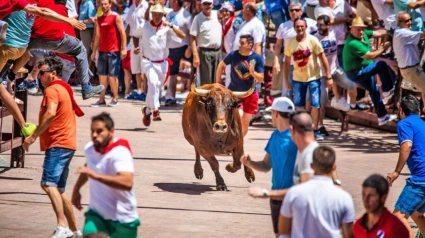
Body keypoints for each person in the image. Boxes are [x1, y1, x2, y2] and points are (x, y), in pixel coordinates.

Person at [22, 56, 83, 238]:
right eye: (38, 73)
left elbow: (50, 113)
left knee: (48, 184)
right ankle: (75, 231)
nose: (39, 76)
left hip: (59, 144)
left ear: (53, 74)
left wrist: (33, 137)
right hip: (67, 144)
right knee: (59, 189)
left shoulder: (52, 90)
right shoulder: (63, 89)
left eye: (42, 73)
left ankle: (62, 226)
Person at [9, 0, 104, 100]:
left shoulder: (35, 3)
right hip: (56, 44)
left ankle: (9, 75)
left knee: (23, 48)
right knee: (80, 50)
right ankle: (86, 88)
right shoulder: (62, 9)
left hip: (34, 40)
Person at [71, 112, 140, 237]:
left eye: (99, 131)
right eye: (92, 131)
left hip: (123, 218)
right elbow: (89, 167)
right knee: (91, 236)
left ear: (111, 131)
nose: (94, 135)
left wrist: (95, 176)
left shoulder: (120, 152)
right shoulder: (90, 149)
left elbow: (127, 183)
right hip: (97, 214)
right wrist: (76, 190)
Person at [240, 97, 297, 235]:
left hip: (294, 199)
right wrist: (249, 163)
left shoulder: (298, 137)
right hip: (276, 198)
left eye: (272, 113)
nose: (271, 116)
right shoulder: (275, 136)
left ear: (276, 113)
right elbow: (266, 165)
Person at [278, 146, 355, 238]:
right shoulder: (344, 198)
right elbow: (348, 234)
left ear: (311, 166)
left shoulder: (294, 193)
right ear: (334, 167)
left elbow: (283, 230)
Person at [314, 15, 367, 136]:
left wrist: (359, 31)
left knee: (352, 86)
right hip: (320, 74)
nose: (319, 27)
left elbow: (349, 35)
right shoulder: (314, 38)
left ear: (328, 25)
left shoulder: (335, 33)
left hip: (335, 70)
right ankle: (321, 125)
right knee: (322, 101)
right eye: (318, 25)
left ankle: (352, 106)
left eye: (322, 25)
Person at [133, 3, 185, 126]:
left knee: (156, 87)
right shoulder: (144, 26)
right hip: (148, 61)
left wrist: (171, 26)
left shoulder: (166, 27)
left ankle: (147, 110)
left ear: (163, 15)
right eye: (154, 14)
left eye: (159, 15)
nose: (156, 17)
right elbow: (135, 36)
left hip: (162, 63)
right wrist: (136, 47)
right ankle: (156, 110)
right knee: (153, 83)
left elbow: (182, 36)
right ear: (151, 15)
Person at [343, 16, 397, 126]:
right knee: (381, 65)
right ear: (351, 29)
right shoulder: (353, 43)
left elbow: (377, 33)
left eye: (362, 28)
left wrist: (389, 30)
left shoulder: (363, 34)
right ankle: (387, 89)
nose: (361, 31)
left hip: (362, 69)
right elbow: (370, 56)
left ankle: (382, 117)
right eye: (358, 29)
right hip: (356, 72)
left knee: (374, 90)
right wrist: (384, 48)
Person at [283, 18, 332, 140]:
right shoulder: (290, 43)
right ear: (294, 27)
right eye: (297, 26)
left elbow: (323, 58)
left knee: (315, 104)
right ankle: (300, 129)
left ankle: (314, 130)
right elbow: (287, 62)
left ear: (305, 27)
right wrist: (285, 80)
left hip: (314, 77)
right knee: (298, 105)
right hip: (298, 78)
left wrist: (329, 76)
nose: (300, 29)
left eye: (302, 26)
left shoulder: (313, 40)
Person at [387, 95, 425, 237]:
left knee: (398, 219)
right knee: (417, 214)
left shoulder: (404, 124)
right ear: (419, 110)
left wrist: (397, 171)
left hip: (420, 181)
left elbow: (407, 145)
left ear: (401, 111)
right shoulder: (423, 124)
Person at [216, 34, 264, 137]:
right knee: (236, 116)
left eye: (242, 43)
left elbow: (261, 78)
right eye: (239, 42)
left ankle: (238, 144)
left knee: (245, 122)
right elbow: (221, 66)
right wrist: (218, 83)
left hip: (250, 93)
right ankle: (230, 140)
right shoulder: (233, 55)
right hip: (234, 93)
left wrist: (253, 73)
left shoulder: (257, 58)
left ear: (250, 45)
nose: (239, 45)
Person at [273, 1, 317, 98]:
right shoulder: (283, 26)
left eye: (296, 10)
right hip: (290, 64)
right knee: (288, 93)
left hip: (306, 64)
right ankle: (287, 113)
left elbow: (322, 29)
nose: (294, 12)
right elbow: (278, 45)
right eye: (291, 10)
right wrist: (276, 61)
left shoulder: (310, 23)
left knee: (305, 94)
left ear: (301, 11)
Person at [90, 0, 127, 107]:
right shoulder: (99, 19)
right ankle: (101, 100)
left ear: (110, 5)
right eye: (102, 4)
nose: (104, 6)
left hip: (114, 51)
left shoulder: (116, 17)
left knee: (112, 77)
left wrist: (123, 49)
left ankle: (115, 98)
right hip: (102, 51)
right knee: (102, 76)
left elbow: (122, 33)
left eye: (106, 4)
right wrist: (94, 51)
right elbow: (97, 36)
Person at [393, 11, 425, 110]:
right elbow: (423, 35)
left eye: (410, 19)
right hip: (411, 70)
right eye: (406, 21)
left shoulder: (400, 32)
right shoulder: (402, 33)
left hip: (411, 69)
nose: (410, 22)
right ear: (399, 23)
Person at [164, 0, 193, 106]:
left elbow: (191, 32)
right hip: (170, 48)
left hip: (183, 47)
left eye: (172, 0)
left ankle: (191, 96)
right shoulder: (169, 14)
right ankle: (170, 97)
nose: (170, 2)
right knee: (172, 74)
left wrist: (190, 47)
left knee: (188, 73)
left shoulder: (186, 15)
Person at [190, 0, 222, 85]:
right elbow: (192, 38)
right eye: (205, 4)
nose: (207, 6)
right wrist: (195, 55)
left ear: (213, 5)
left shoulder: (217, 14)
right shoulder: (197, 18)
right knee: (206, 82)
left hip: (218, 52)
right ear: (201, 5)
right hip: (204, 52)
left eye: (209, 4)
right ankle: (206, 98)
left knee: (217, 80)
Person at [126, 0, 149, 101]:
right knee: (136, 67)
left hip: (144, 39)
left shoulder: (146, 5)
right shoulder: (132, 7)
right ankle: (139, 90)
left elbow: (149, 22)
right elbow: (129, 25)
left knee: (144, 65)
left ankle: (145, 91)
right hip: (133, 39)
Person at [78, 0, 97, 67]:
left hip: (88, 30)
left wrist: (81, 22)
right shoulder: (81, 3)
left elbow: (92, 19)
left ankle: (85, 71)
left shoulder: (89, 3)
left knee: (86, 51)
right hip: (83, 30)